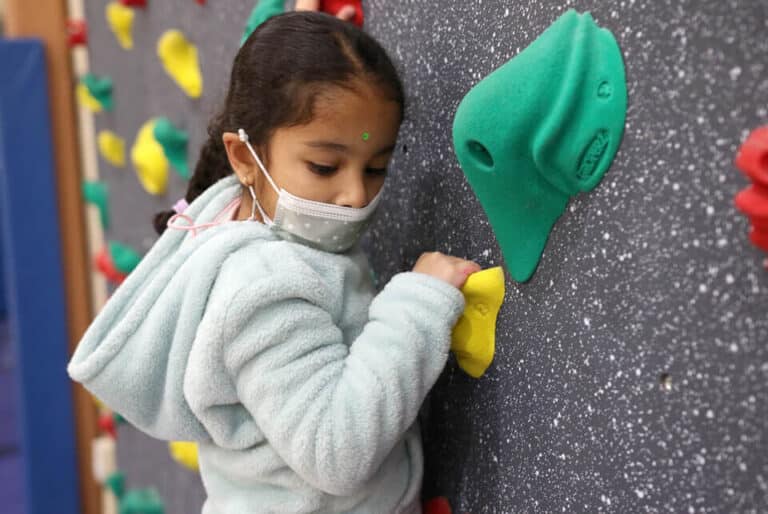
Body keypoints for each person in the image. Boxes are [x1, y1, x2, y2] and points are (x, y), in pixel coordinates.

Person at [68, 11, 480, 514]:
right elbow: (336, 450)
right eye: (324, 167)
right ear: (245, 158)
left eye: (376, 168)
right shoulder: (262, 288)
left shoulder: (262, 231)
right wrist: (418, 303)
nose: (354, 194)